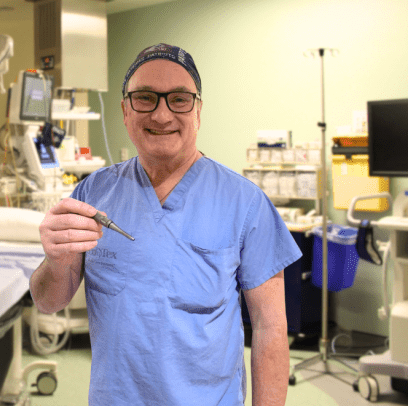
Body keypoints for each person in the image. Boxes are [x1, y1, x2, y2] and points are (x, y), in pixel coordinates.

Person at [29, 44, 301, 406]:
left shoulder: (245, 203)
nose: (161, 114)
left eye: (178, 99)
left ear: (198, 111)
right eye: (145, 98)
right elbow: (48, 303)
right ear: (125, 111)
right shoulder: (92, 194)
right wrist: (55, 259)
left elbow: (271, 329)